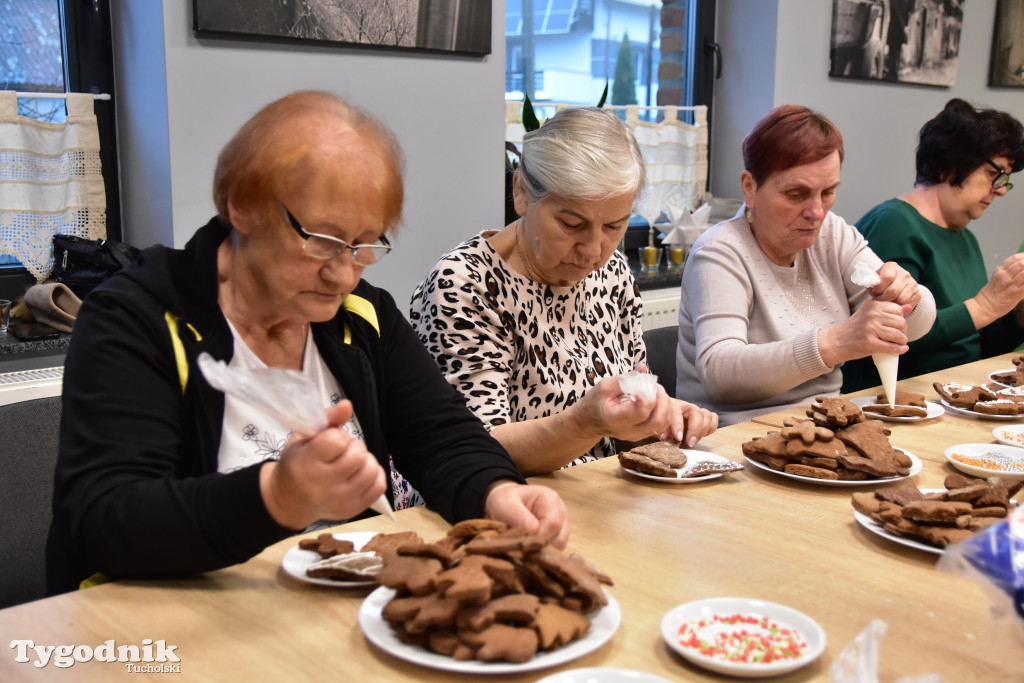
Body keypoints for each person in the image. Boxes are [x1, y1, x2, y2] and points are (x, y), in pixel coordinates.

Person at [47, 91, 569, 595]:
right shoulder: (135, 320)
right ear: (241, 207)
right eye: (322, 240)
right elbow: (106, 519)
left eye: (365, 243)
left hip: (329, 612)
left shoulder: (363, 316)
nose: (343, 273)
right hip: (159, 621)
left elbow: (442, 437)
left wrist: (498, 492)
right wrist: (277, 495)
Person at [409, 107, 718, 477]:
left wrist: (653, 419)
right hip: (499, 500)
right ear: (522, 192)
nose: (593, 250)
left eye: (614, 227)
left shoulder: (613, 273)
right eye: (572, 224)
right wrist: (586, 423)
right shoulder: (464, 285)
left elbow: (627, 434)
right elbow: (475, 449)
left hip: (596, 493)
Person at [676, 104, 936, 426]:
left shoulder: (832, 233)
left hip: (824, 428)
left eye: (827, 192)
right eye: (797, 194)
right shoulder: (720, 251)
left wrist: (908, 296)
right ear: (750, 188)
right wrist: (835, 343)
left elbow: (917, 326)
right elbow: (720, 374)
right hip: (735, 439)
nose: (816, 212)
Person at [842, 99, 1024, 392]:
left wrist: (1016, 315)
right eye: (995, 174)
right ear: (950, 165)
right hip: (895, 401)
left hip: (953, 396)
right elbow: (890, 337)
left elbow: (972, 345)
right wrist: (984, 306)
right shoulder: (895, 224)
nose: (1001, 189)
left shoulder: (966, 237)